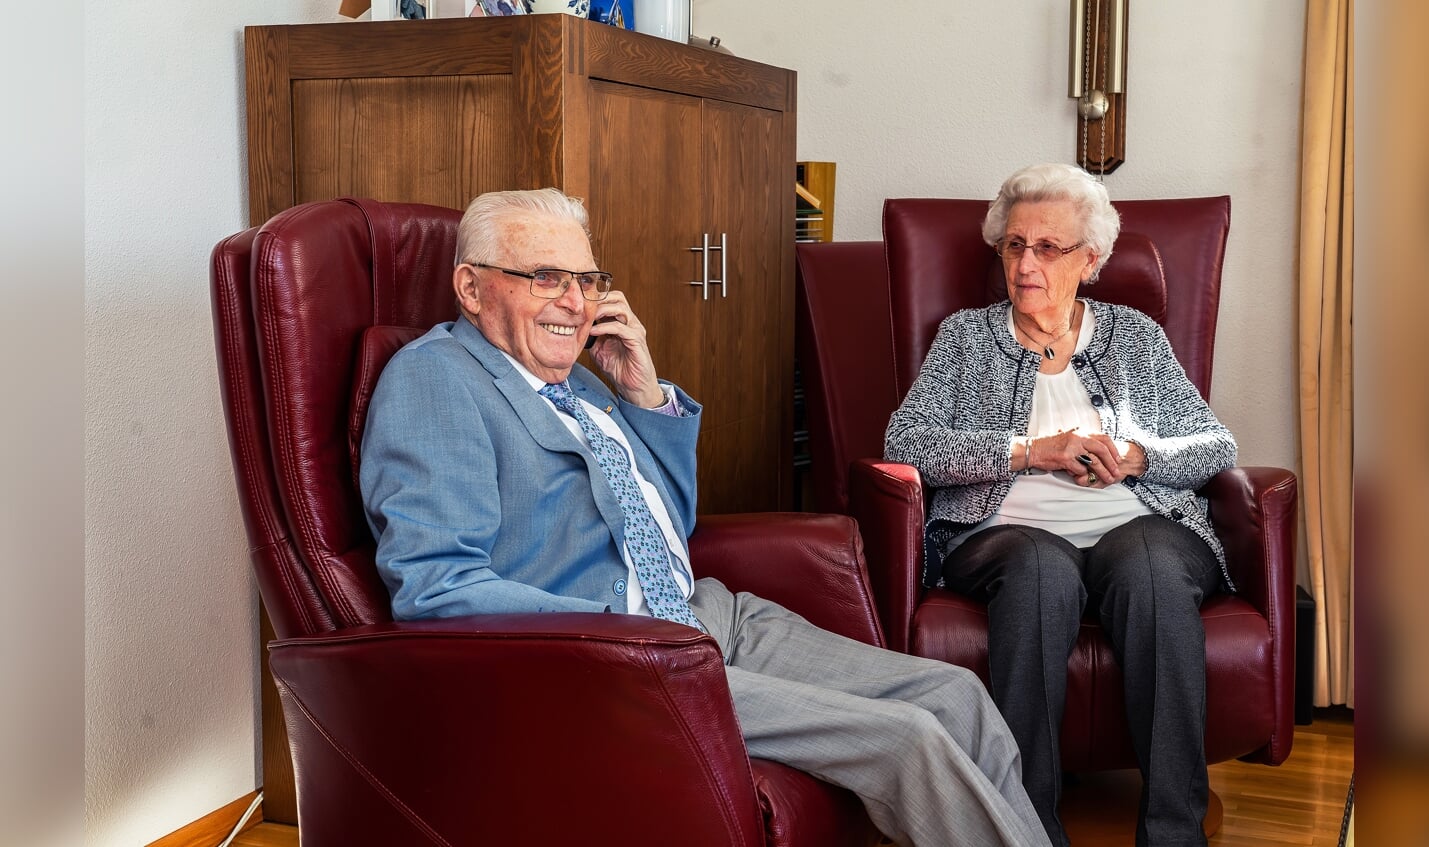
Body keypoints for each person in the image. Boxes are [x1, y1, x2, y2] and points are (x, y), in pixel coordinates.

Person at [359, 187, 1051, 847]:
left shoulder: (571, 381)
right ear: (472, 287)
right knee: (909, 740)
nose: (575, 302)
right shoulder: (436, 380)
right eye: (545, 277)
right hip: (626, 659)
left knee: (957, 695)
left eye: (587, 278)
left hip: (705, 615)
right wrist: (619, 636)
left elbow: (669, 524)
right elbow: (437, 586)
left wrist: (643, 391)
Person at [884, 163, 1237, 847]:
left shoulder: (1135, 336)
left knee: (1154, 569)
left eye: (1048, 248)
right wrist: (1026, 451)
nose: (1025, 264)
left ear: (1090, 259)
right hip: (1007, 533)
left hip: (1140, 523)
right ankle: (1026, 829)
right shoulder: (965, 338)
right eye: (1015, 245)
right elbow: (906, 439)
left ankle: (1174, 833)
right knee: (1042, 570)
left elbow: (1214, 442)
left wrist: (1139, 457)